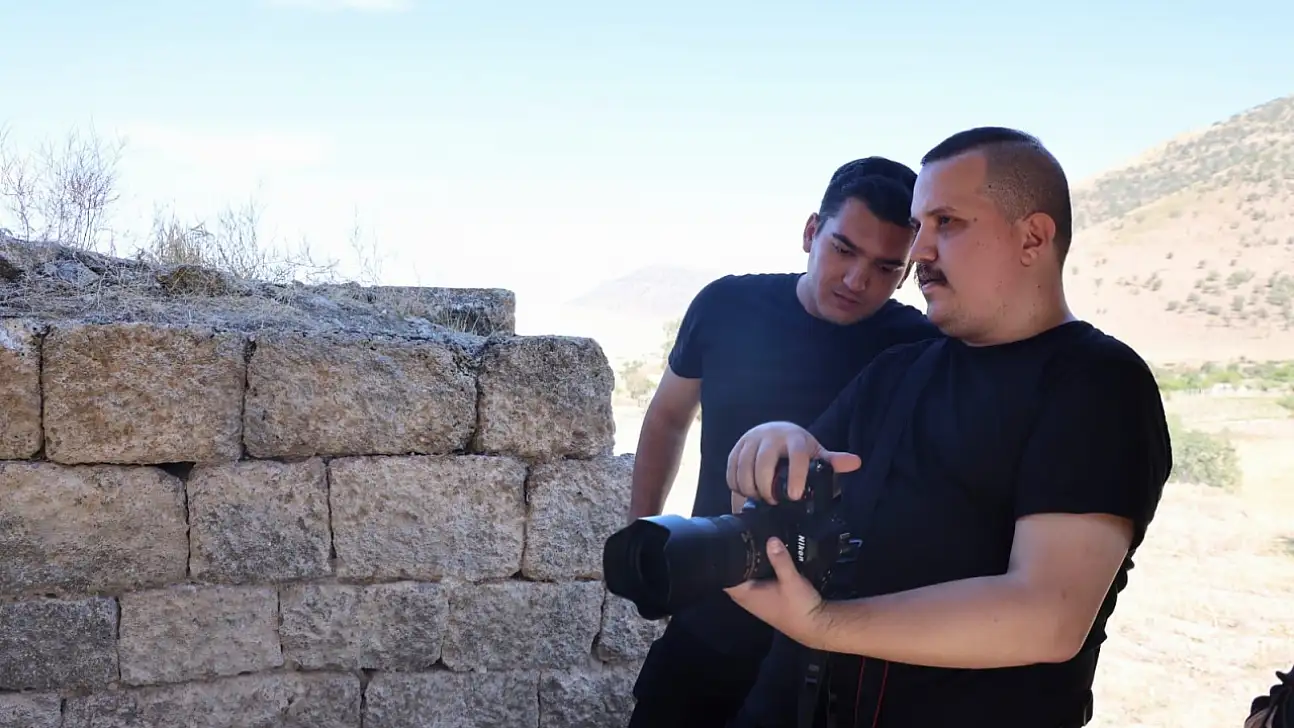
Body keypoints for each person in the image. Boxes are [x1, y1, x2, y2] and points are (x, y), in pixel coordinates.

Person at [721, 127, 1174, 728]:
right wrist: (769, 447)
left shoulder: (1096, 383)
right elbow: (784, 510)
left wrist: (826, 625)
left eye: (947, 223)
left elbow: (1048, 613)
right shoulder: (895, 372)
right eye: (919, 227)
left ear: (1033, 237)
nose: (919, 252)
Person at [624, 156, 945, 728]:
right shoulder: (726, 306)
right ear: (810, 232)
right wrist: (643, 534)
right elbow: (667, 417)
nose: (856, 280)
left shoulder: (920, 349)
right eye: (844, 249)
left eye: (885, 267)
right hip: (710, 611)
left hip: (833, 646)